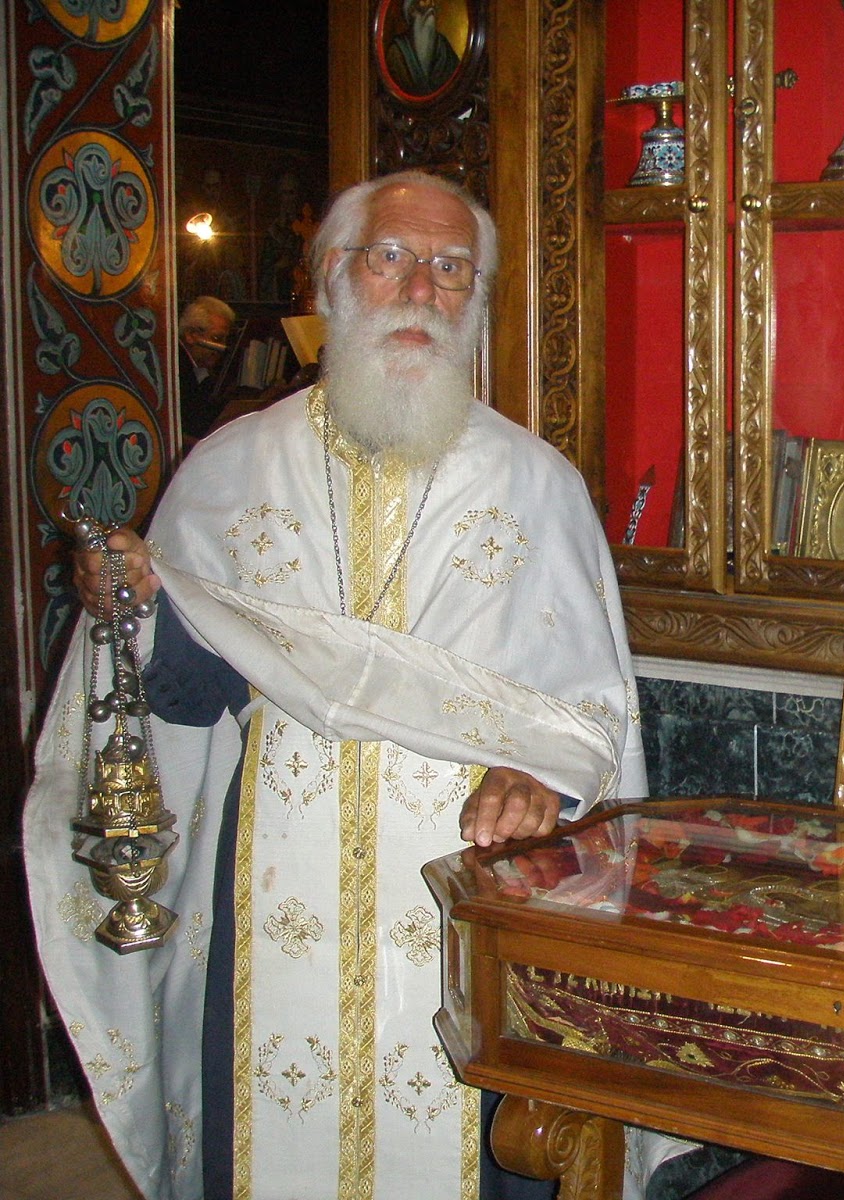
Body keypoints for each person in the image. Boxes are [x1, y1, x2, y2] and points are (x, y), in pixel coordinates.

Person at [25, 171, 649, 1200]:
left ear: (479, 299)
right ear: (329, 279)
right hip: (275, 879)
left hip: (469, 878)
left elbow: (589, 713)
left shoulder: (535, 483)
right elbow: (185, 696)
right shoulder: (231, 467)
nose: (421, 289)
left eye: (452, 268)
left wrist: (536, 772)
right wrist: (137, 607)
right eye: (391, 257)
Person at [176, 294, 236, 441]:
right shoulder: (177, 369)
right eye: (216, 339)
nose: (222, 347)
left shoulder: (202, 369)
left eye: (225, 340)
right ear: (191, 335)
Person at [385, 0, 461, 96]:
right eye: (424, 0)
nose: (431, 5)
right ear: (412, 11)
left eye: (432, 1)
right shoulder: (396, 51)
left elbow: (460, 81)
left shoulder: (443, 45)